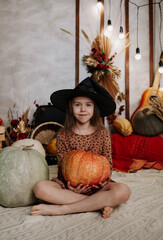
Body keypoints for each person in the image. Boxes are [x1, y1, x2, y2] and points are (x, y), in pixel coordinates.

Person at [31, 77, 131, 219]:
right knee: (40, 188)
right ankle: (100, 203)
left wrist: (100, 183)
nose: (83, 109)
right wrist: (70, 186)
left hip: (98, 187)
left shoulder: (102, 133)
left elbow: (108, 164)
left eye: (88, 105)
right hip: (70, 187)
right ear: (71, 108)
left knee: (123, 191)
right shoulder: (64, 135)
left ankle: (63, 209)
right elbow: (62, 167)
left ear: (95, 108)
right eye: (77, 105)